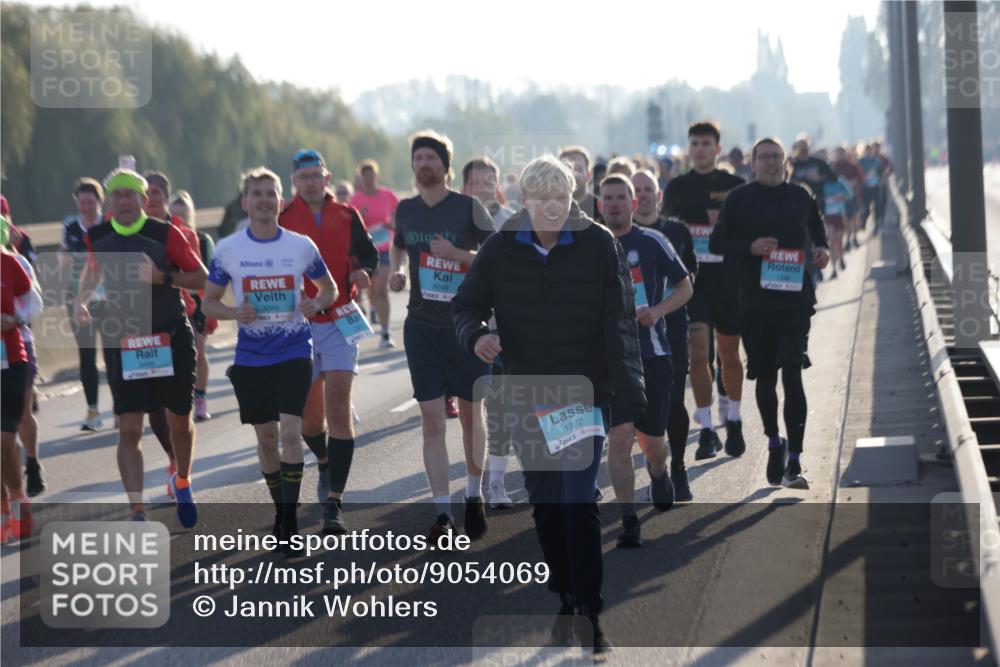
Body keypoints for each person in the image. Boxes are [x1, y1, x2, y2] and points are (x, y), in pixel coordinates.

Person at [453, 155, 646, 655]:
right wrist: (476, 337)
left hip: (583, 394)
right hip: (524, 392)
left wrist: (629, 394)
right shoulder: (499, 249)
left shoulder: (599, 244)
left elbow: (620, 320)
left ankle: (591, 611)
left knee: (578, 498)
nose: (554, 208)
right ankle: (565, 594)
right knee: (546, 505)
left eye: (561, 198)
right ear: (525, 202)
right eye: (542, 200)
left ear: (573, 197)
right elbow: (467, 306)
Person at [203, 166, 336, 554]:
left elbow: (328, 288)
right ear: (245, 202)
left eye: (270, 193)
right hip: (252, 356)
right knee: (266, 438)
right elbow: (209, 300)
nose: (264, 200)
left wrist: (316, 302)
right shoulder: (229, 249)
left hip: (295, 350)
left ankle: (290, 521)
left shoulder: (300, 246)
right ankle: (280, 511)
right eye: (256, 194)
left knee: (291, 432)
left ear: (282, 200)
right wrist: (232, 313)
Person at [73, 168, 207, 523]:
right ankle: (137, 509)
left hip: (170, 335)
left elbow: (200, 278)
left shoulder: (166, 234)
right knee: (129, 427)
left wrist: (162, 277)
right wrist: (81, 299)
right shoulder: (97, 235)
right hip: (125, 340)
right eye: (116, 195)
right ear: (109, 202)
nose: (123, 201)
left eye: (130, 195)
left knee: (180, 422)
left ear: (145, 200)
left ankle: (182, 479)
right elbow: (94, 269)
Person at [389, 130, 492, 542]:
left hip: (466, 325)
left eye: (431, 158)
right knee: (432, 420)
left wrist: (458, 257)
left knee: (471, 415)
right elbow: (398, 246)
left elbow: (496, 258)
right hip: (422, 325)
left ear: (446, 166)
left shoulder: (469, 207)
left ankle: (474, 493)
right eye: (418, 159)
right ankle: (443, 513)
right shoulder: (406, 209)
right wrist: (397, 270)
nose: (424, 165)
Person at [709, 138, 830, 489]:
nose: (772, 163)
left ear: (786, 161)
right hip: (755, 303)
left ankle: (795, 459)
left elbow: (817, 227)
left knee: (793, 372)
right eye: (764, 158)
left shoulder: (800, 195)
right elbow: (717, 244)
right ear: (753, 162)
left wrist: (821, 248)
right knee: (765, 377)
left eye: (777, 157)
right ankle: (775, 442)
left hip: (795, 300)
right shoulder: (739, 200)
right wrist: (751, 247)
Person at [280, 149, 378, 534]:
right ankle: (322, 460)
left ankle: (334, 501)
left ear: (327, 176)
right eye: (303, 176)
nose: (310, 182)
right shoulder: (284, 218)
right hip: (298, 324)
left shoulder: (346, 214)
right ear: (294, 182)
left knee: (338, 406)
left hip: (339, 318)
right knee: (308, 419)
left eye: (315, 175)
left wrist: (365, 271)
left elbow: (368, 254)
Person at [600, 174, 693, 548]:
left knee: (652, 442)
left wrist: (658, 311)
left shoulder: (651, 241)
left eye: (622, 197)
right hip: (610, 360)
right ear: (600, 205)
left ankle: (658, 470)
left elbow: (686, 286)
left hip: (653, 355)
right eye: (608, 198)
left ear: (633, 205)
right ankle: (627, 518)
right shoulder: (589, 245)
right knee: (619, 438)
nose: (615, 203)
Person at [661, 121, 746, 460]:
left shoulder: (735, 186)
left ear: (718, 148)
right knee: (699, 356)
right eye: (694, 143)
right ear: (689, 147)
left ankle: (735, 417)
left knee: (729, 355)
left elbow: (747, 232)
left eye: (705, 143)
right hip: (692, 285)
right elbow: (663, 232)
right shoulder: (678, 187)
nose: (699, 149)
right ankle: (708, 429)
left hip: (728, 282)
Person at [632, 169, 697, 501]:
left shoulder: (674, 231)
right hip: (635, 333)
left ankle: (679, 467)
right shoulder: (617, 235)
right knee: (641, 409)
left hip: (670, 327)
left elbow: (688, 275)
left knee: (673, 402)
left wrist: (657, 304)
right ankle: (655, 466)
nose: (642, 194)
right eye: (636, 189)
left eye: (647, 189)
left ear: (657, 194)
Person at [461, 156, 515, 507]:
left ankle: (496, 483)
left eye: (489, 181)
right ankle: (472, 484)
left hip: (503, 325)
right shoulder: (454, 219)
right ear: (465, 186)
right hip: (465, 324)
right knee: (470, 410)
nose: (483, 187)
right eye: (476, 181)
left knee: (499, 407)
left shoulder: (513, 222)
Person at [59, 178, 113, 432]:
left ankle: (121, 406)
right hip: (79, 300)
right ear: (76, 202)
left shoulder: (108, 224)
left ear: (99, 202)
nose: (86, 207)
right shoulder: (70, 226)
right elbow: (63, 254)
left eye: (91, 202)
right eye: (82, 202)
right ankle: (92, 410)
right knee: (87, 356)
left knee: (113, 354)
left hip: (108, 299)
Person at [169, 191, 217, 421]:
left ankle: (200, 397)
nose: (179, 219)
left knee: (199, 348)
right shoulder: (167, 237)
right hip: (173, 298)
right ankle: (180, 395)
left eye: (183, 214)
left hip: (199, 298)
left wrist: (211, 307)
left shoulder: (202, 239)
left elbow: (212, 275)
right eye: (174, 214)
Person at [1, 229, 35, 541]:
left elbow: (32, 303)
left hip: (10, 361)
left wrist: (16, 319)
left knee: (3, 439)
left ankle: (17, 499)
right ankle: (3, 512)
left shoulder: (10, 264)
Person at [350, 159, 399, 349]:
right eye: (365, 177)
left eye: (371, 176)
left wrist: (391, 224)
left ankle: (386, 333)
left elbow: (398, 217)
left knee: (380, 288)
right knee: (371, 291)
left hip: (385, 246)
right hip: (366, 250)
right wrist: (361, 219)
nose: (369, 180)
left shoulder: (388, 195)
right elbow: (352, 226)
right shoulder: (356, 199)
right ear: (361, 179)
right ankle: (374, 312)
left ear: (376, 176)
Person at [558, 145, 597, 218]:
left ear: (589, 175)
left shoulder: (600, 209)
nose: (573, 174)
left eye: (578, 169)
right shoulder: (551, 209)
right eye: (567, 169)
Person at [858, 143, 884, 233]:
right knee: (866, 207)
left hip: (875, 186)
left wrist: (880, 181)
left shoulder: (876, 161)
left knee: (876, 207)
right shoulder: (860, 161)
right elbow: (858, 173)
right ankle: (863, 223)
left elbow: (881, 172)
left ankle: (876, 225)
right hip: (865, 187)